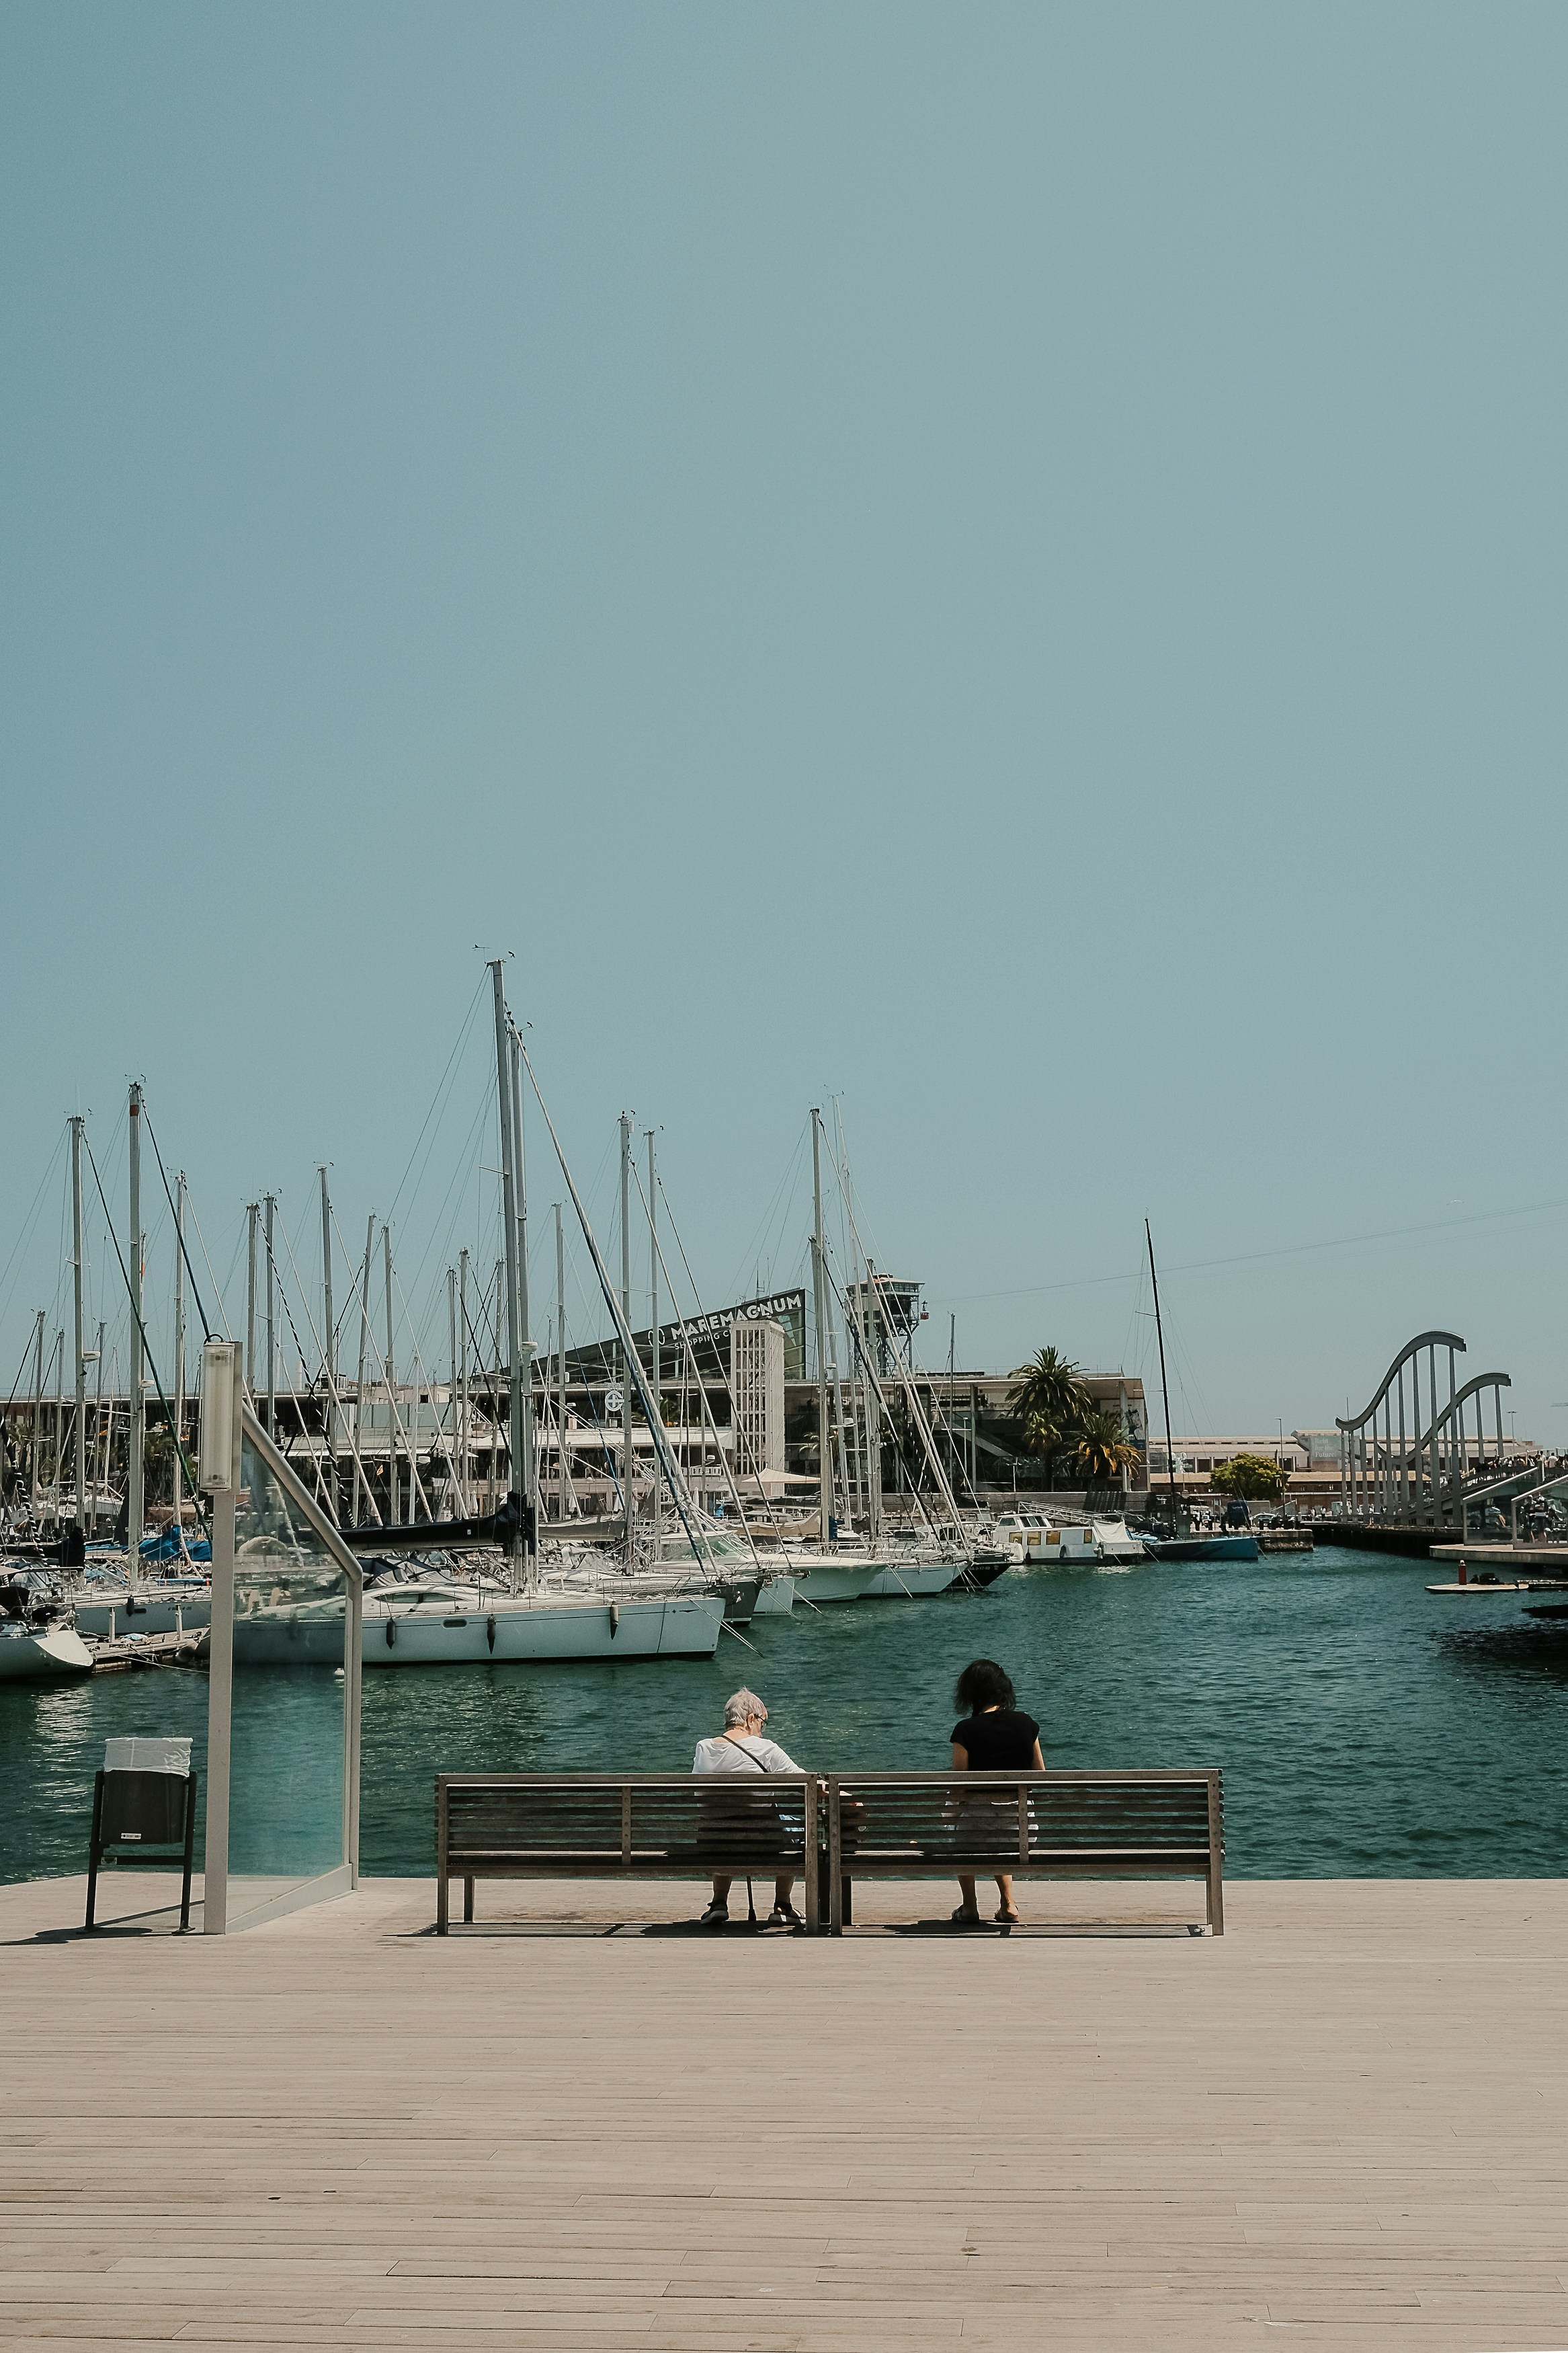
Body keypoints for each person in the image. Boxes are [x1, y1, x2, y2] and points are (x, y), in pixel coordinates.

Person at [692, 1689, 804, 1930]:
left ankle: (719, 1904)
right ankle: (782, 1906)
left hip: (713, 1840)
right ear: (751, 1719)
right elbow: (806, 1782)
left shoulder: (703, 1748)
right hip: (761, 1841)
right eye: (763, 1722)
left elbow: (699, 1796)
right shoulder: (766, 1748)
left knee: (724, 1822)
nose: (763, 1729)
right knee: (801, 1827)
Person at [950, 1658, 1043, 1929]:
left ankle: (969, 1907)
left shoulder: (965, 1731)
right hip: (1020, 1830)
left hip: (975, 1832)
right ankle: (1009, 1903)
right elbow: (1040, 1775)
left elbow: (959, 1787)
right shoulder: (1027, 1724)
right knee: (1001, 1824)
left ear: (970, 1694)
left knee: (965, 1823)